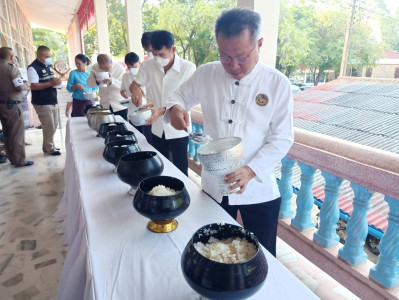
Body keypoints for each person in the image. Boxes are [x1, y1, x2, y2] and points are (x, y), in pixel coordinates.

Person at [164, 8, 294, 257]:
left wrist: (251, 169)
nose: (233, 65)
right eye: (225, 56)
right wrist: (176, 107)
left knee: (262, 256)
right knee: (215, 251)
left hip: (258, 188)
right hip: (215, 185)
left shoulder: (277, 84)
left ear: (259, 44)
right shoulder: (207, 73)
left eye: (242, 57)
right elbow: (178, 95)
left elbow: (283, 137)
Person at [130, 30, 196, 176]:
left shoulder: (188, 68)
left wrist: (163, 110)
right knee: (160, 166)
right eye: (153, 53)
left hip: (178, 127)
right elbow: (135, 84)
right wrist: (135, 89)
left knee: (180, 168)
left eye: (161, 54)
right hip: (157, 126)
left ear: (173, 49)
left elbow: (187, 99)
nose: (157, 58)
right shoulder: (148, 65)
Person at [0, 47, 33, 167]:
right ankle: (20, 161)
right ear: (11, 57)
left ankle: (12, 158)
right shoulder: (11, 68)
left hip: (1, 105)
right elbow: (19, 86)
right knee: (17, 134)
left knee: (7, 133)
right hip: (12, 105)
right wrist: (26, 84)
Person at [28, 45, 62, 156]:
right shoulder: (33, 68)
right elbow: (33, 86)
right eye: (47, 57)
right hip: (42, 101)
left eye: (50, 56)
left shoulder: (49, 65)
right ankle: (50, 148)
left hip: (52, 98)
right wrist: (50, 83)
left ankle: (47, 146)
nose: (49, 58)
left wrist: (56, 82)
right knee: (49, 125)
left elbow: (51, 80)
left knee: (54, 124)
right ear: (40, 56)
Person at [86, 54, 127, 120]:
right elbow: (89, 84)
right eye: (101, 68)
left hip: (119, 105)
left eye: (106, 68)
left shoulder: (120, 68)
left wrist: (112, 81)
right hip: (105, 105)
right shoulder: (95, 68)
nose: (104, 70)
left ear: (111, 62)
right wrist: (96, 81)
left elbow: (125, 86)